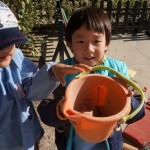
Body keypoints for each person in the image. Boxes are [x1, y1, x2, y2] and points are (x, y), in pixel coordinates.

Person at [37, 6, 145, 150]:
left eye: (96, 41)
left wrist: (128, 104)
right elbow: (45, 111)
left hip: (109, 142)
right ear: (70, 45)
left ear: (106, 43)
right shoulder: (63, 72)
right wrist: (61, 108)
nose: (89, 49)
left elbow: (140, 109)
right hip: (72, 142)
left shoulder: (118, 71)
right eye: (81, 42)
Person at [0, 2, 90, 150]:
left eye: (11, 42)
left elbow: (30, 89)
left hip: (29, 136)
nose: (6, 49)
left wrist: (51, 73)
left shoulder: (15, 57)